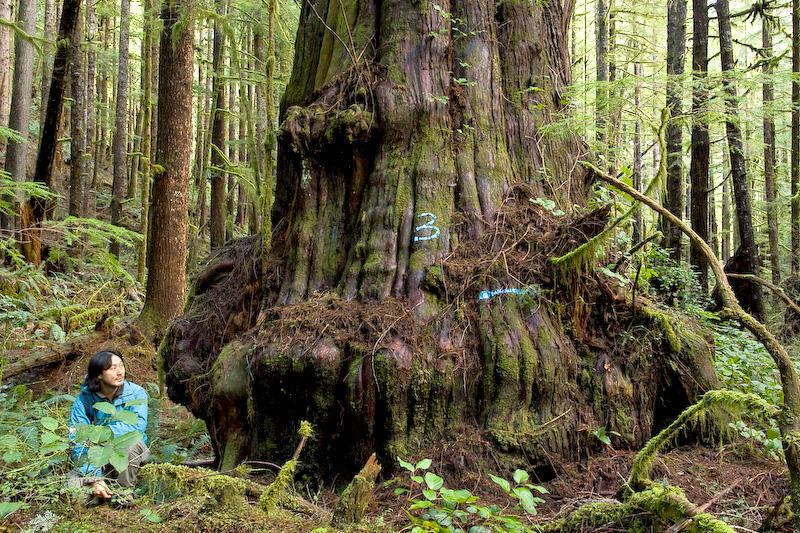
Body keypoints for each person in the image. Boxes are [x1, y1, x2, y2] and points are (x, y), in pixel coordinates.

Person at [68, 349, 149, 506]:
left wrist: (102, 435)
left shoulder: (136, 393)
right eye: (112, 368)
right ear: (98, 374)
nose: (119, 372)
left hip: (129, 452)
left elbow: (137, 427)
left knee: (129, 445)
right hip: (96, 458)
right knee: (76, 497)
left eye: (121, 365)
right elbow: (78, 441)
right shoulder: (83, 402)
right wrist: (94, 478)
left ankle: (123, 495)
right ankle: (102, 489)